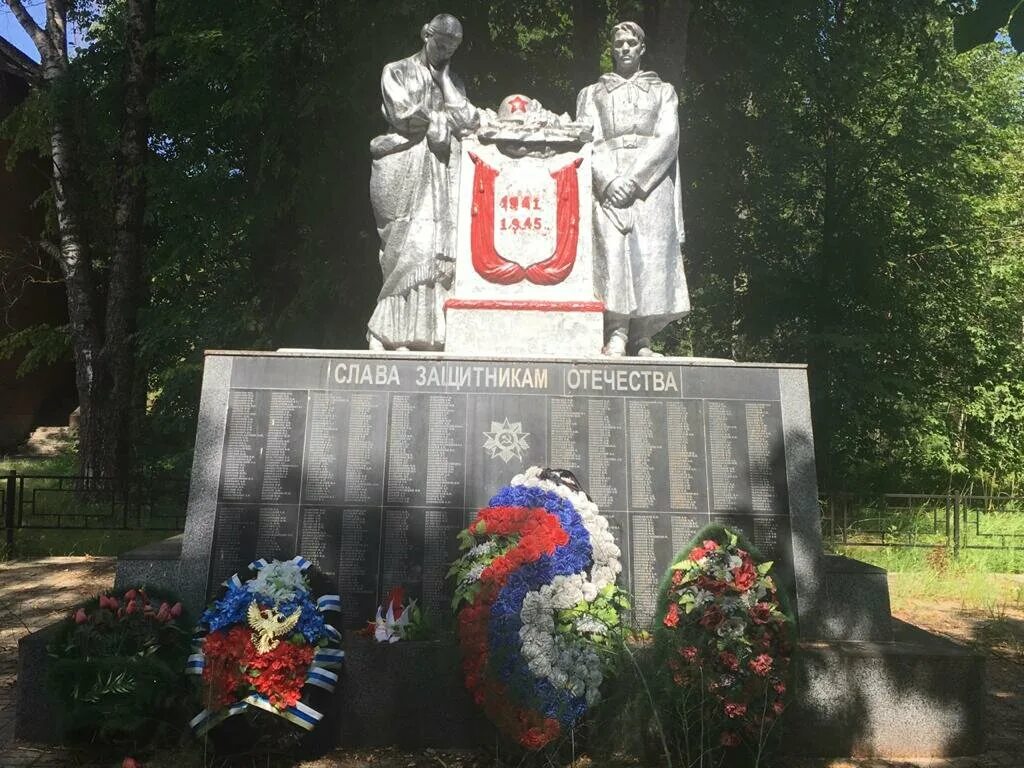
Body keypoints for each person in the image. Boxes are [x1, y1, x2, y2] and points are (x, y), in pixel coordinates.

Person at [576, 21, 689, 356]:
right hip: (607, 182)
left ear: (642, 49)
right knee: (612, 255)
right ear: (611, 50)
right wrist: (609, 180)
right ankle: (616, 332)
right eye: (619, 43)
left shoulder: (663, 91)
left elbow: (668, 137)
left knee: (650, 256)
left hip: (649, 184)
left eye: (631, 43)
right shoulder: (591, 93)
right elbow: (584, 140)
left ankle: (642, 336)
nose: (625, 48)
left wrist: (634, 180)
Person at [367, 14, 479, 351]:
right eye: (439, 45)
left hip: (441, 173)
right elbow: (401, 112)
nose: (443, 53)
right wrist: (435, 121)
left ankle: (424, 334)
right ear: (425, 35)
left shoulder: (454, 81)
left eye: (450, 49)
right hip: (403, 165)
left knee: (433, 249)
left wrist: (444, 83)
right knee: (402, 251)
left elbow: (468, 121)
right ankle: (385, 332)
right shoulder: (396, 70)